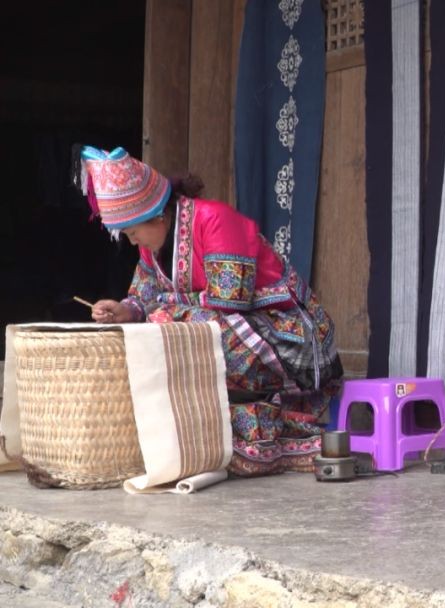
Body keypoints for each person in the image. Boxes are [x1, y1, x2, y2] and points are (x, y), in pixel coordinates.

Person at [78, 146, 344, 477]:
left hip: (294, 340)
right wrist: (125, 311)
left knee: (167, 323)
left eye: (133, 233)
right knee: (150, 327)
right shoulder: (152, 249)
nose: (133, 242)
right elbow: (142, 298)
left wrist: (159, 307)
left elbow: (230, 300)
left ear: (158, 216)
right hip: (236, 330)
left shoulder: (216, 220)